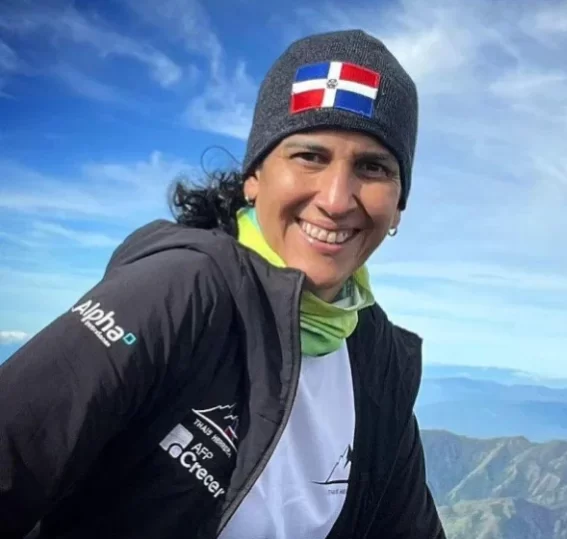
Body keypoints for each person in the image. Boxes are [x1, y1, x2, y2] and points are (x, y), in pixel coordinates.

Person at [0, 29, 445, 539]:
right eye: (310, 156)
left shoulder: (376, 359)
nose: (337, 199)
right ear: (254, 176)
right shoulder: (176, 294)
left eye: (372, 167)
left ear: (398, 205)